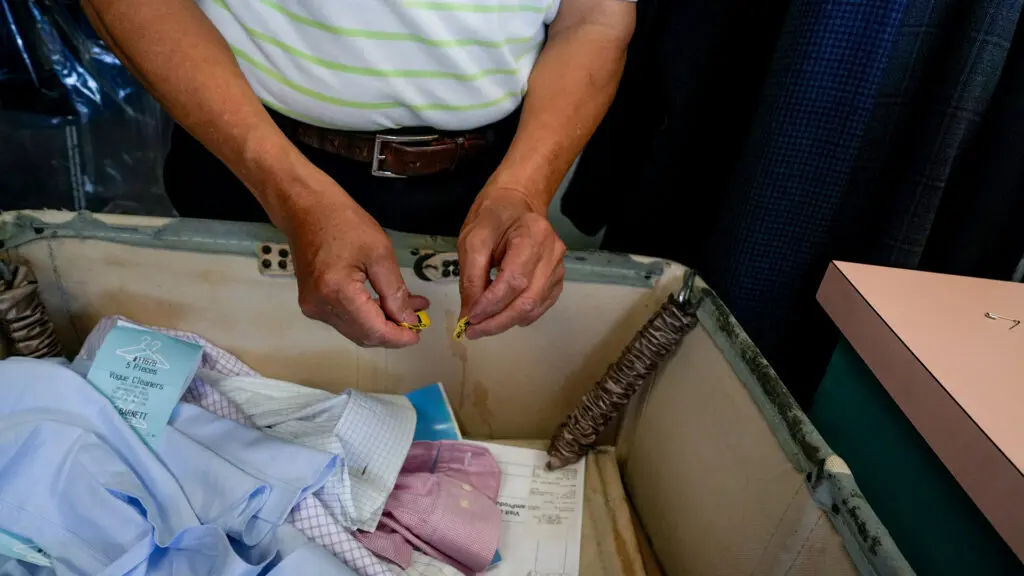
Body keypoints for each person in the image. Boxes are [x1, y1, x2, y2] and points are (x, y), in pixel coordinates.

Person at [83, 0, 636, 347]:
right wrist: (293, 195)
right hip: (246, 153)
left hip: (486, 178)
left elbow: (593, 17)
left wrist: (523, 190)